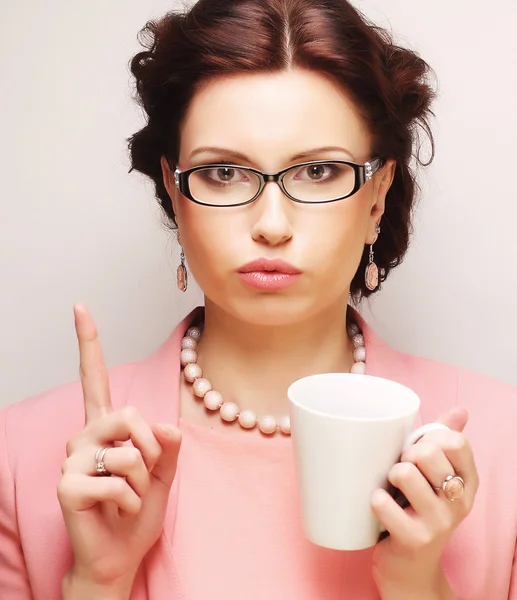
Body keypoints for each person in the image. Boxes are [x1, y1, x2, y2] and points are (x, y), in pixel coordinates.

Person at [0, 0, 516, 598]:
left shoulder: (504, 444)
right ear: (174, 188)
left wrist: (419, 586)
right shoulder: (21, 456)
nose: (271, 224)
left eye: (318, 171)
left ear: (377, 195)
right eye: (224, 172)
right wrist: (97, 582)